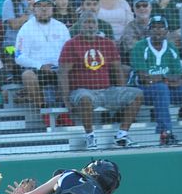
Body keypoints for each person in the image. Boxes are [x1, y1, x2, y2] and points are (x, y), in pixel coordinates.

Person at [59, 11, 143, 150]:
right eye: (86, 22)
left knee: (137, 94)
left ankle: (122, 135)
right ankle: (90, 136)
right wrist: (66, 98)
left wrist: (121, 90)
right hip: (82, 91)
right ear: (80, 25)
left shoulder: (107, 44)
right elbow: (63, 73)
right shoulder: (71, 44)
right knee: (85, 98)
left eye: (93, 23)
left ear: (97, 26)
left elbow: (117, 69)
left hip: (106, 91)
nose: (90, 26)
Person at [130, 15, 182, 145]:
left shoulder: (171, 47)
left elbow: (178, 76)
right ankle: (165, 132)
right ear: (148, 30)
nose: (158, 31)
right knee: (161, 89)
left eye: (161, 28)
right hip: (144, 91)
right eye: (154, 28)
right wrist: (166, 79)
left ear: (167, 31)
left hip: (167, 89)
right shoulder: (140, 47)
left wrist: (162, 79)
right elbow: (143, 77)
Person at [14, 0, 71, 109]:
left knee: (70, 72)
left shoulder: (61, 27)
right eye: (40, 6)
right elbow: (19, 57)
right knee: (27, 75)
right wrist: (40, 66)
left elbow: (70, 53)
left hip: (59, 70)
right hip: (37, 70)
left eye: (47, 5)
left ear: (52, 8)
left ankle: (65, 109)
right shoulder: (26, 28)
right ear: (34, 9)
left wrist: (61, 67)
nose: (44, 9)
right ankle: (42, 108)